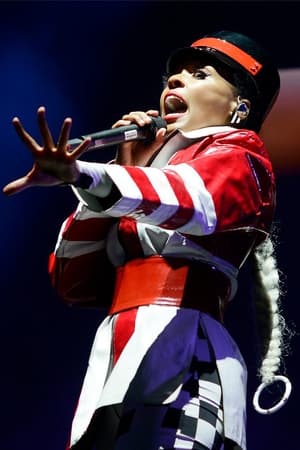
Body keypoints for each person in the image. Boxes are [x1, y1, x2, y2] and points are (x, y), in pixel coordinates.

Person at [3, 30, 291, 450]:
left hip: (183, 347)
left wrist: (86, 175)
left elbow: (191, 200)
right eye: (173, 75)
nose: (175, 81)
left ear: (238, 106)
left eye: (199, 75)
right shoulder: (149, 171)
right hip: (119, 346)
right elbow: (73, 278)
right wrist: (124, 165)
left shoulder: (243, 158)